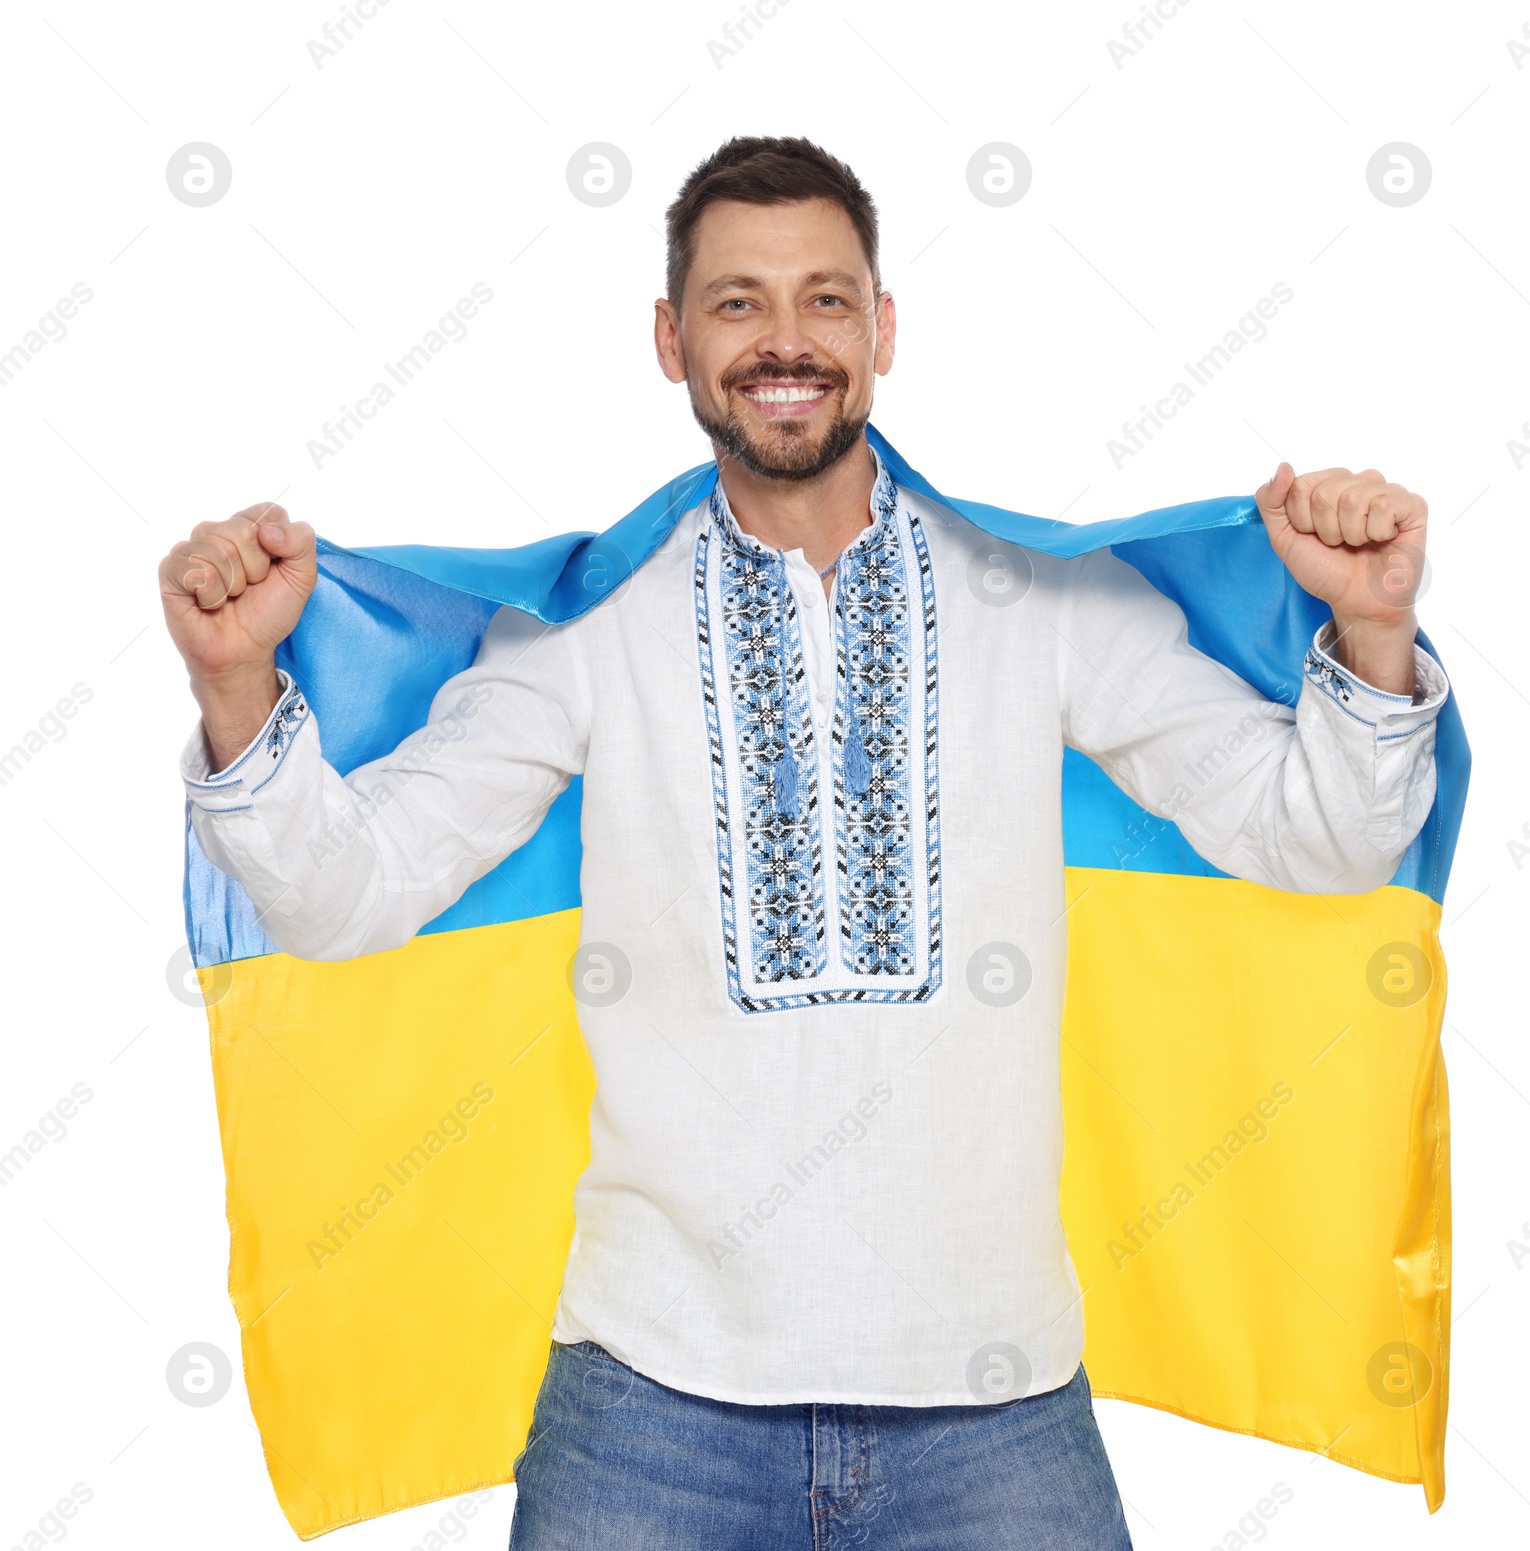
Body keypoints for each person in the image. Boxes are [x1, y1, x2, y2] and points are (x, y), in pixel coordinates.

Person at [160, 137, 1448, 1550]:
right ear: (671, 340)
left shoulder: (1042, 604)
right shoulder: (585, 630)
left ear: (885, 331)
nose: (788, 341)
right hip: (648, 1407)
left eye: (827, 301)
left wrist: (1369, 627)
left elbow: (1322, 843)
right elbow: (351, 898)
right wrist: (237, 683)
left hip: (996, 1396)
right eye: (737, 303)